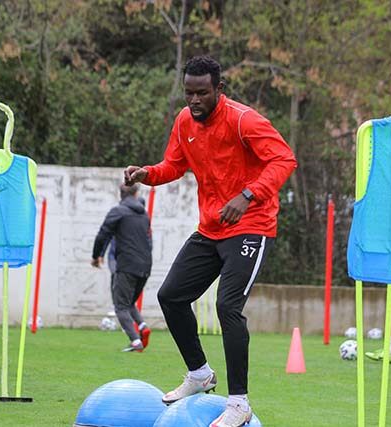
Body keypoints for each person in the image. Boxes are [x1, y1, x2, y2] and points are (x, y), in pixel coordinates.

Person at [124, 55, 296, 427]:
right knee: (171, 296)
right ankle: (200, 373)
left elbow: (284, 160)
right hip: (211, 227)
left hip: (251, 225)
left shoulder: (244, 120)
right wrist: (146, 174)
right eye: (189, 92)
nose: (194, 100)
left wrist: (247, 195)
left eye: (202, 92)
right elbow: (174, 165)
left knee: (227, 306)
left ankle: (239, 403)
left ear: (219, 88)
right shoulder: (185, 121)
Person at [91, 183, 152, 352]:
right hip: (146, 265)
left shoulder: (118, 212)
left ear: (121, 194)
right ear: (136, 194)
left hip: (127, 265)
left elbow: (103, 235)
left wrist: (96, 256)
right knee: (130, 302)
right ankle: (142, 325)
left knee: (120, 306)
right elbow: (148, 241)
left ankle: (135, 341)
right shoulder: (144, 215)